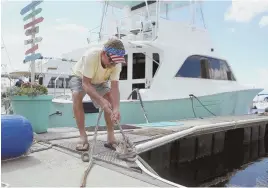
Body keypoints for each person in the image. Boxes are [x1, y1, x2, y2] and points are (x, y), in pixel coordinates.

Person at [69, 38, 126, 151]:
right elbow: (85, 84)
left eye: (116, 61)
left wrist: (116, 108)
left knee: (110, 100)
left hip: (99, 80)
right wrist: (101, 101)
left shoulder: (115, 65)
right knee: (76, 96)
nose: (113, 64)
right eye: (111, 60)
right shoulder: (91, 56)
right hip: (80, 77)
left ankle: (111, 138)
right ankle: (83, 136)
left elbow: (115, 87)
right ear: (104, 53)